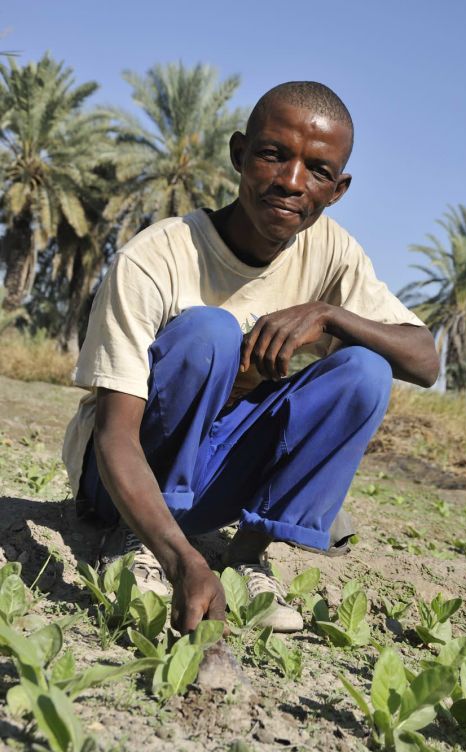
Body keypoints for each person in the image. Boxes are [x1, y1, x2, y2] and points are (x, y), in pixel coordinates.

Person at [63, 81, 439, 635]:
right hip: (117, 484)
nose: (292, 181)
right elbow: (115, 434)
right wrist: (180, 558)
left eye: (317, 170)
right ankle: (136, 544)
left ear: (337, 189)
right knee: (209, 332)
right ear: (239, 153)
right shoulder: (158, 256)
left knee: (364, 371)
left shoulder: (332, 251)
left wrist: (328, 316)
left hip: (213, 483)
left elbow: (425, 360)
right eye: (273, 154)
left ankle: (247, 558)